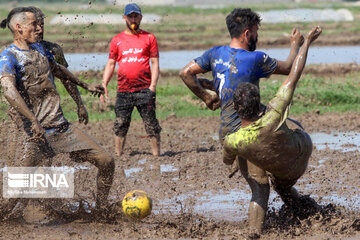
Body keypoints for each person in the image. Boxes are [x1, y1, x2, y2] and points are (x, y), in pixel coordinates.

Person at [0, 7, 115, 219]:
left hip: (61, 127)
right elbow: (8, 90)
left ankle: (101, 211)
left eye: (39, 23)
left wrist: (84, 85)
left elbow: (58, 70)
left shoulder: (42, 50)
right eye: (34, 24)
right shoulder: (9, 57)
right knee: (15, 195)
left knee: (106, 160)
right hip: (35, 136)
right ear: (18, 27)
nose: (39, 27)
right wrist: (32, 120)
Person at [222, 26, 322, 237]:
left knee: (259, 188)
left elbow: (226, 159)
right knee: (283, 185)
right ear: (259, 103)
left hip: (272, 158)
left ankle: (254, 232)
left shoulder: (233, 140)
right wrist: (306, 42)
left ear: (237, 110)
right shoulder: (273, 113)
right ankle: (304, 211)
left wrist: (234, 159)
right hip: (300, 154)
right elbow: (294, 75)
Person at [179, 8, 304, 142]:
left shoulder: (215, 53)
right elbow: (289, 67)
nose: (257, 36)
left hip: (225, 133)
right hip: (247, 133)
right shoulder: (255, 58)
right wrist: (295, 44)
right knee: (294, 133)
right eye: (256, 32)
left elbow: (185, 73)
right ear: (247, 33)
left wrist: (206, 97)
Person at [101, 3, 161, 156]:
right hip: (124, 90)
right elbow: (111, 63)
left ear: (140, 17)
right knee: (121, 124)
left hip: (144, 90)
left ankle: (157, 156)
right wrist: (104, 84)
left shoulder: (149, 38)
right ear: (124, 18)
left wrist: (152, 86)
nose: (133, 18)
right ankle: (119, 156)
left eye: (136, 16)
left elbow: (154, 63)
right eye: (130, 16)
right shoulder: (117, 40)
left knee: (151, 124)